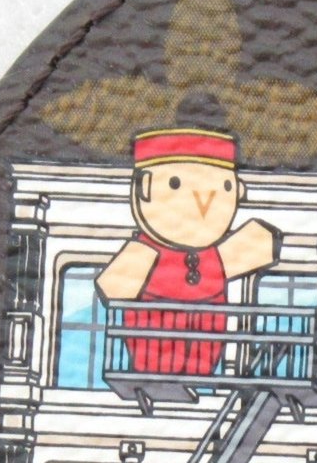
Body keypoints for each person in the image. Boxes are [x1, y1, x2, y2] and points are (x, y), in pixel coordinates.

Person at [95, 127, 279, 377]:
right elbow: (113, 287)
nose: (205, 200)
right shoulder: (144, 252)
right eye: (175, 184)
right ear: (143, 187)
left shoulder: (215, 257)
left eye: (225, 187)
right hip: (154, 352)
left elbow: (259, 245)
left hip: (205, 352)